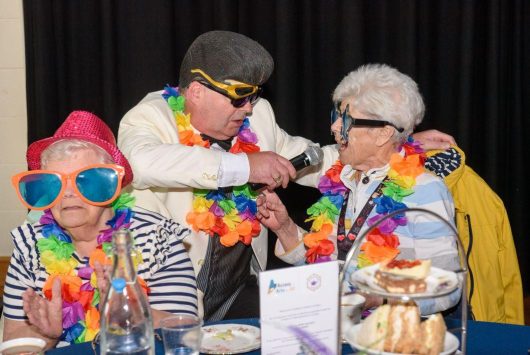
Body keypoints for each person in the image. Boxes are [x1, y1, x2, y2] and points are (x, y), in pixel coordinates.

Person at [118, 30, 455, 321]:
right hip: (174, 296)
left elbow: (312, 159)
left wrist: (395, 141)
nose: (249, 108)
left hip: (239, 290)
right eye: (239, 98)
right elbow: (140, 163)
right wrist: (247, 167)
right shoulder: (150, 117)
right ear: (196, 91)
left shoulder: (258, 117)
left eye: (253, 96)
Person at [256, 64, 461, 315]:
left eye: (347, 120)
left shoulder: (425, 190)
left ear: (383, 133)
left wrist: (380, 298)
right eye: (336, 116)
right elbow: (326, 268)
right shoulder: (342, 180)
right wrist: (285, 229)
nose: (334, 127)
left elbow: (446, 285)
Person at [2, 111, 198, 349]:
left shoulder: (157, 240)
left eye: (86, 180)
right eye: (54, 182)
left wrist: (127, 310)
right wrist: (48, 336)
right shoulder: (29, 247)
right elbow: (15, 342)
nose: (68, 193)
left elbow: (182, 334)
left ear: (111, 185)